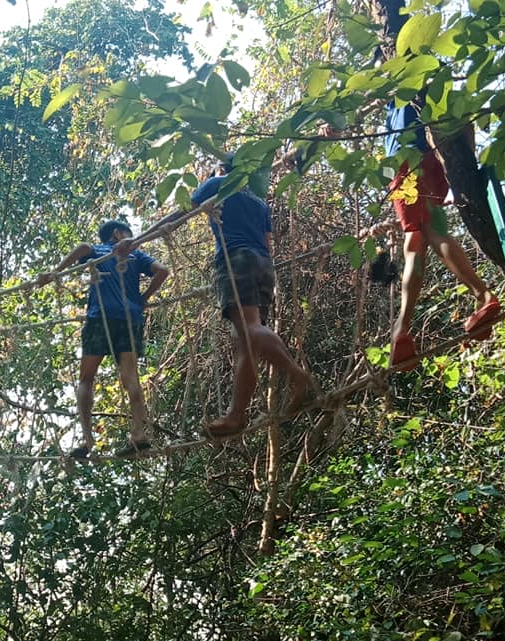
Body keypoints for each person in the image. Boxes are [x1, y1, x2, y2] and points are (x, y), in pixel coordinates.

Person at [147, 153, 315, 437]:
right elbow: (267, 242)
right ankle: (236, 415)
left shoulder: (219, 183)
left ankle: (298, 378)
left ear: (223, 169)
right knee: (246, 340)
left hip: (235, 257)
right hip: (263, 265)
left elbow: (181, 212)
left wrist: (138, 240)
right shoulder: (259, 199)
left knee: (248, 330)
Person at [383, 94, 500, 369]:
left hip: (406, 158)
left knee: (425, 234)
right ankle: (402, 330)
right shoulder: (432, 88)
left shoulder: (400, 89)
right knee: (418, 239)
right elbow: (466, 121)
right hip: (436, 158)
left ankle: (482, 295)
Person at [38, 220, 170, 458]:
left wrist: (55, 272)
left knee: (86, 378)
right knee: (131, 377)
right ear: (117, 233)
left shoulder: (98, 251)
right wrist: (143, 298)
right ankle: (138, 434)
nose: (134, 239)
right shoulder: (136, 254)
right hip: (130, 319)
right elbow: (163, 271)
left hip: (100, 317)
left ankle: (87, 440)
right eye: (129, 234)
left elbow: (82, 247)